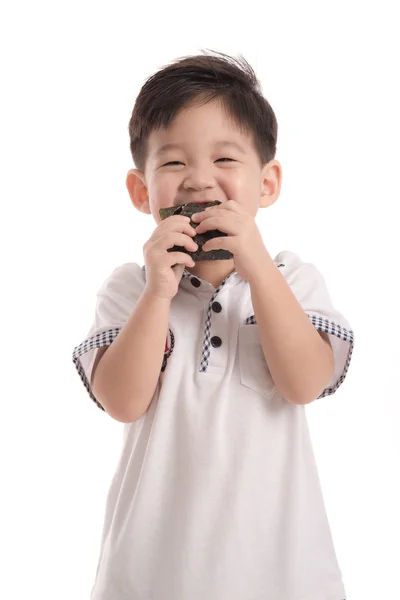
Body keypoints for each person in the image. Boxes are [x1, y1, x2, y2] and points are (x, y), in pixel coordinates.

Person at [72, 51, 354, 600]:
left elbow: (305, 383)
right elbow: (122, 402)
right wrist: (158, 292)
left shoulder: (293, 279)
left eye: (225, 159)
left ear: (267, 183)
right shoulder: (130, 288)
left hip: (286, 576)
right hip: (150, 577)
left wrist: (257, 268)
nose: (200, 180)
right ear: (141, 192)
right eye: (174, 164)